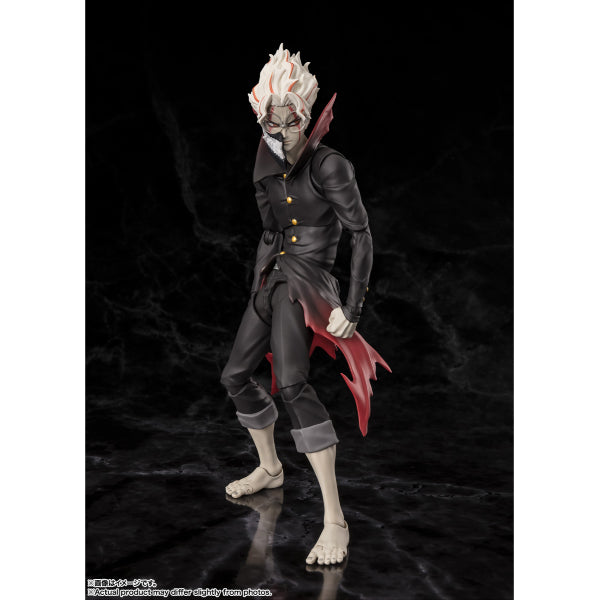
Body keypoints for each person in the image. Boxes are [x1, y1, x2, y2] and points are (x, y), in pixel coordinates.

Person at [220, 44, 389, 565]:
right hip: (272, 281)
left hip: (308, 284)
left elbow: (361, 234)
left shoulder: (330, 165)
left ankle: (335, 519)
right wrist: (259, 282)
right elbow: (271, 227)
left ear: (307, 114)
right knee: (235, 376)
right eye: (270, 122)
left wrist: (352, 307)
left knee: (293, 385)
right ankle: (271, 468)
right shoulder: (266, 157)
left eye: (289, 121)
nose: (281, 131)